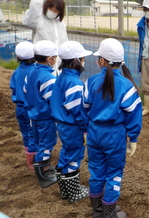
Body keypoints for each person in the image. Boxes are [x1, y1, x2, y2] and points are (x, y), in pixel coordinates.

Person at [83, 38, 142, 218]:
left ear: (102, 60)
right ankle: (109, 212)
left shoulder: (91, 81)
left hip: (94, 132)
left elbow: (84, 108)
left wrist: (86, 130)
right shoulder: (126, 86)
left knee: (96, 172)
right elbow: (134, 115)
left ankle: (97, 211)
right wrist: (133, 138)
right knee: (114, 174)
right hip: (115, 134)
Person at [51, 41, 92, 203]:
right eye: (82, 58)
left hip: (62, 125)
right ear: (75, 61)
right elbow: (78, 111)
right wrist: (85, 128)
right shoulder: (74, 83)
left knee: (66, 154)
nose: (83, 61)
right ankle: (74, 193)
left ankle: (65, 190)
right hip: (73, 127)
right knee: (75, 157)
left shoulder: (61, 77)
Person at [24, 40, 58, 188]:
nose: (56, 60)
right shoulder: (49, 78)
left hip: (33, 115)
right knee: (46, 144)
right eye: (55, 57)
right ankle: (43, 176)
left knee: (39, 143)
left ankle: (45, 169)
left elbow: (26, 91)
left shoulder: (31, 73)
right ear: (49, 59)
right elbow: (53, 100)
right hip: (46, 118)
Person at [23, 0, 68, 72]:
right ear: (46, 6)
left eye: (56, 10)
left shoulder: (61, 24)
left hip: (58, 63)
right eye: (51, 8)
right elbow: (29, 21)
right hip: (42, 62)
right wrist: (36, 4)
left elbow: (64, 42)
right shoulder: (39, 20)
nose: (53, 12)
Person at [10, 41, 36, 171]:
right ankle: (34, 162)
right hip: (30, 108)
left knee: (25, 133)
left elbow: (13, 87)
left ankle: (29, 159)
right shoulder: (34, 71)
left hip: (19, 108)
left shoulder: (17, 71)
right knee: (33, 134)